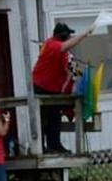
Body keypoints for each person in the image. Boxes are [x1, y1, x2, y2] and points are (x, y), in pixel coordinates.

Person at [32, 21, 95, 153]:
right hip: (41, 86)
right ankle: (41, 147)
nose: (69, 38)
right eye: (68, 35)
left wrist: (75, 73)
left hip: (53, 88)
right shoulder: (52, 44)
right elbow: (66, 46)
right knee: (43, 117)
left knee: (55, 117)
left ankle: (54, 145)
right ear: (63, 36)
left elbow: (65, 68)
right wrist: (85, 33)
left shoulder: (60, 50)